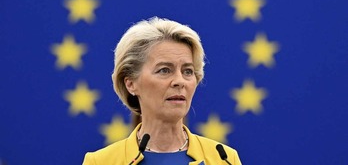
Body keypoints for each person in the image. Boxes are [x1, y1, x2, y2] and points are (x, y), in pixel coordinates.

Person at [82, 17, 242, 165]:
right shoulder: (100, 161)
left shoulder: (225, 159)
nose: (180, 81)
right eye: (164, 70)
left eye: (187, 71)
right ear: (131, 83)